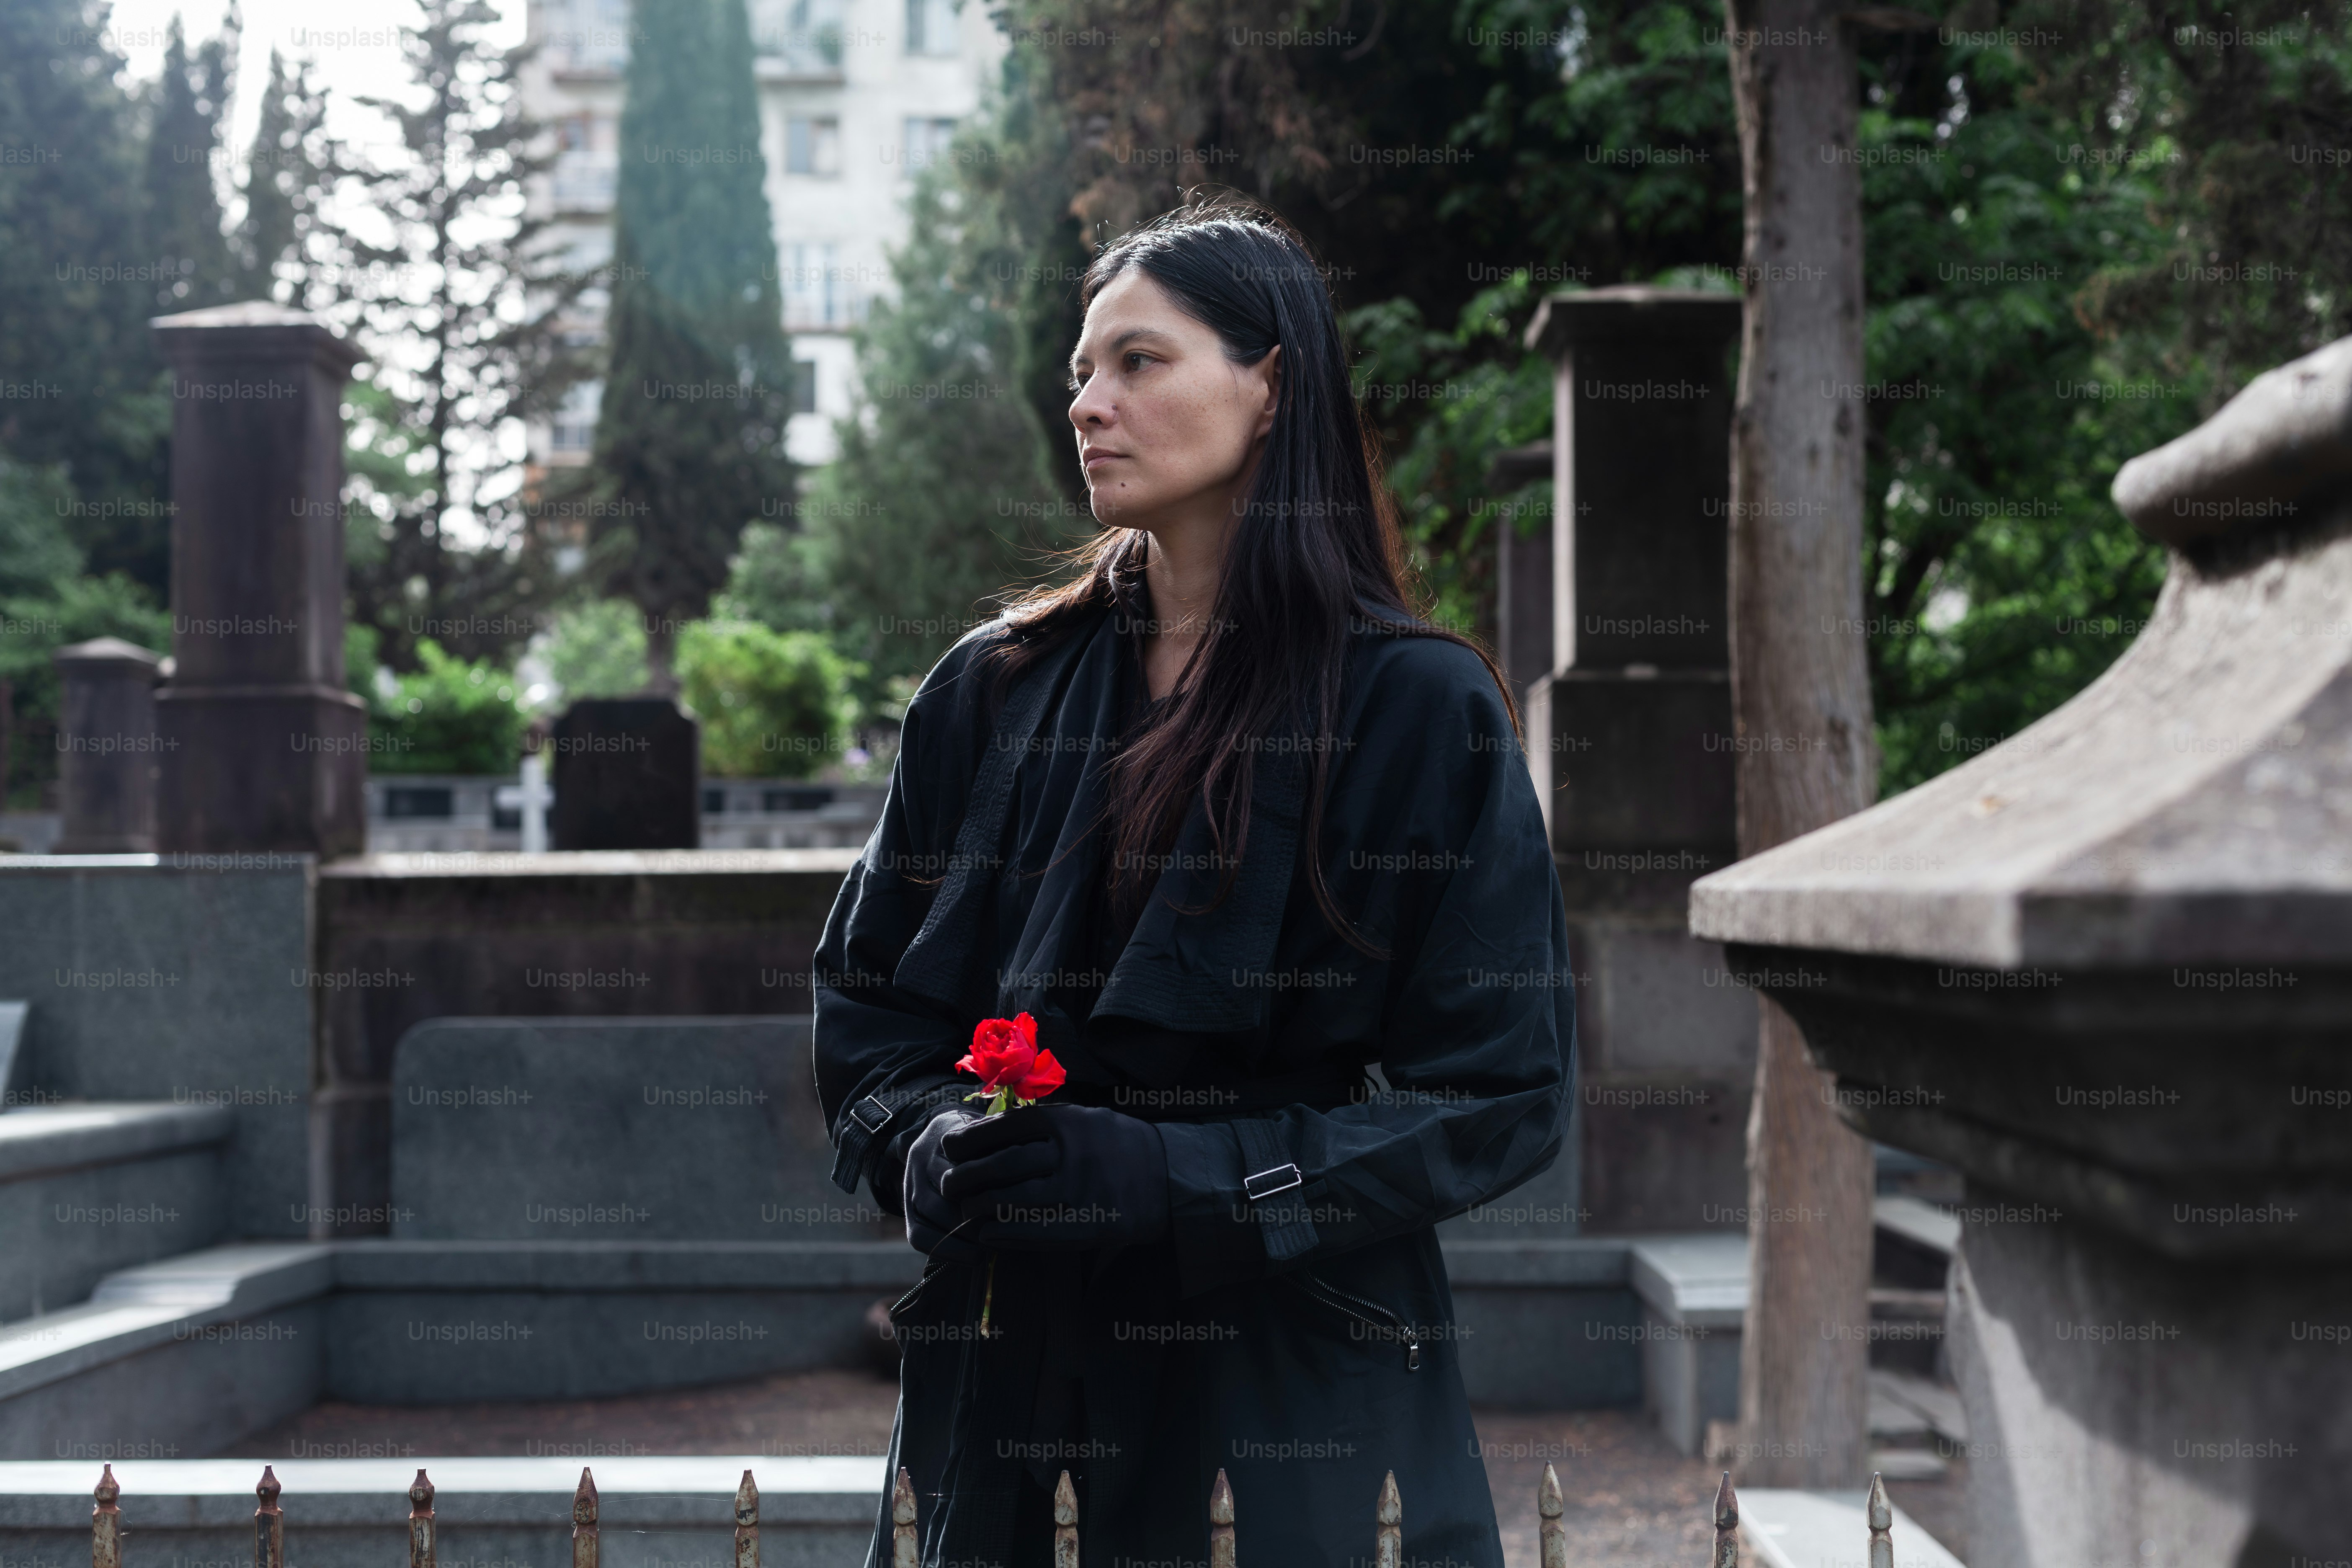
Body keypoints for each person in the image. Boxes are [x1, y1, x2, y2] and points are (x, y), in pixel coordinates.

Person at [813, 196, 1574, 1568]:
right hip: (1018, 1375)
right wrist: (924, 1138)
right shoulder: (993, 691)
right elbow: (867, 1001)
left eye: (1138, 363)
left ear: (1270, 382)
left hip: (1299, 1372)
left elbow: (1500, 1095)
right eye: (1079, 376)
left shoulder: (1417, 709)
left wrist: (1196, 1178)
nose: (1089, 406)